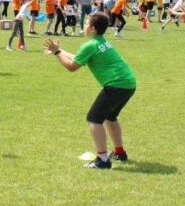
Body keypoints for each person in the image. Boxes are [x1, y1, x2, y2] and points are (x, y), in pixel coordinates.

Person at [42, 12, 136, 169]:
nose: (84, 26)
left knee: (94, 119)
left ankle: (102, 160)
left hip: (117, 85)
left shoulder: (90, 45)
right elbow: (79, 57)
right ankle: (119, 152)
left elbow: (72, 66)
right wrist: (59, 50)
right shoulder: (100, 42)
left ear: (92, 29)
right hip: (128, 83)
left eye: (86, 23)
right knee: (110, 117)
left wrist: (57, 53)